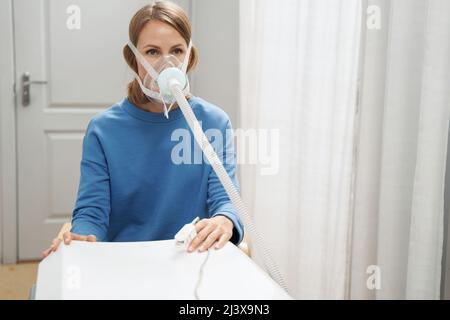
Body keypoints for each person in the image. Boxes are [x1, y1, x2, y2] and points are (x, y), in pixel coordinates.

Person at [42, 1, 243, 258]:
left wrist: (225, 219)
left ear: (189, 57)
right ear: (133, 58)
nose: (166, 64)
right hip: (126, 262)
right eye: (152, 52)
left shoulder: (214, 122)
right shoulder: (103, 130)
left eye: (177, 51)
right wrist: (82, 239)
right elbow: (92, 212)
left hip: (191, 260)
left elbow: (226, 199)